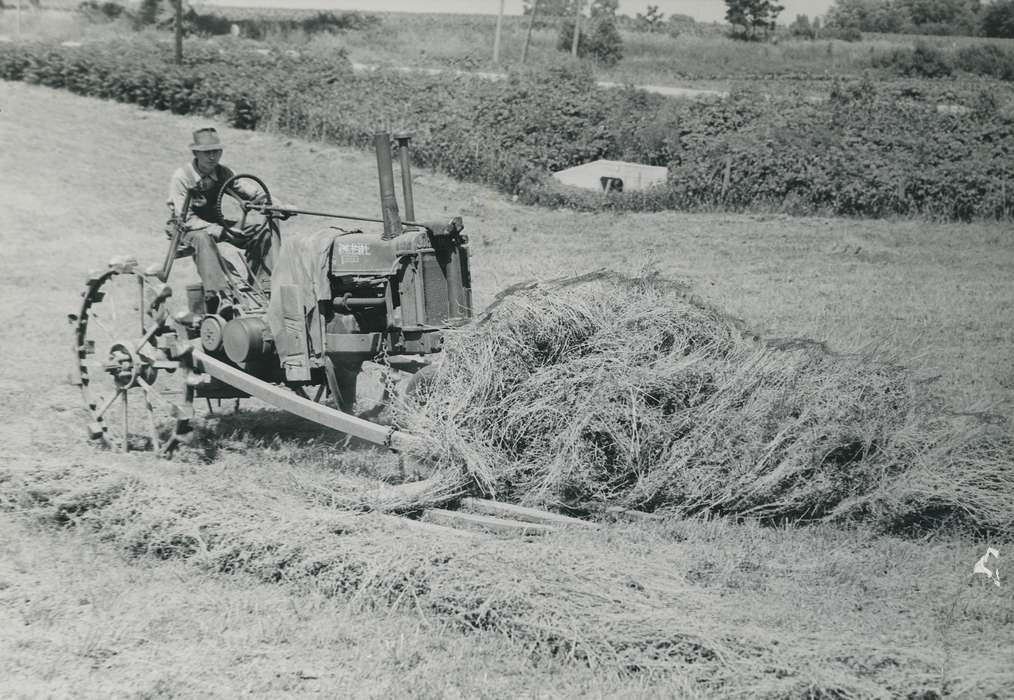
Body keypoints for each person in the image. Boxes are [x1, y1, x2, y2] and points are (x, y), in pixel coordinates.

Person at [166, 127, 268, 311]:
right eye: (207, 152)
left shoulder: (223, 173)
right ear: (196, 153)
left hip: (216, 224)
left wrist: (275, 204)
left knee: (260, 232)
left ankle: (262, 287)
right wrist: (222, 231)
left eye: (216, 151)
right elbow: (186, 219)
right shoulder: (182, 177)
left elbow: (252, 193)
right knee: (202, 238)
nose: (213, 157)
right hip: (186, 230)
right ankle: (221, 296)